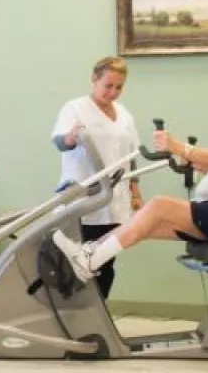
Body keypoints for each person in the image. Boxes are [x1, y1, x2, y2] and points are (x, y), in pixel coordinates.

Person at [52, 71, 208, 283]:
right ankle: (88, 256)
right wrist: (197, 164)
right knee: (139, 222)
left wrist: (180, 147)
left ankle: (87, 262)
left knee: (160, 206)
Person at [50, 56, 144, 298]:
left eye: (119, 87)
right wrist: (71, 138)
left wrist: (136, 192)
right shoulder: (75, 108)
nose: (113, 93)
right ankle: (74, 317)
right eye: (108, 85)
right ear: (94, 79)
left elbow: (132, 154)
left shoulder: (124, 114)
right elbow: (60, 142)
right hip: (85, 200)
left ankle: (97, 316)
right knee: (79, 265)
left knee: (106, 266)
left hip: (115, 200)